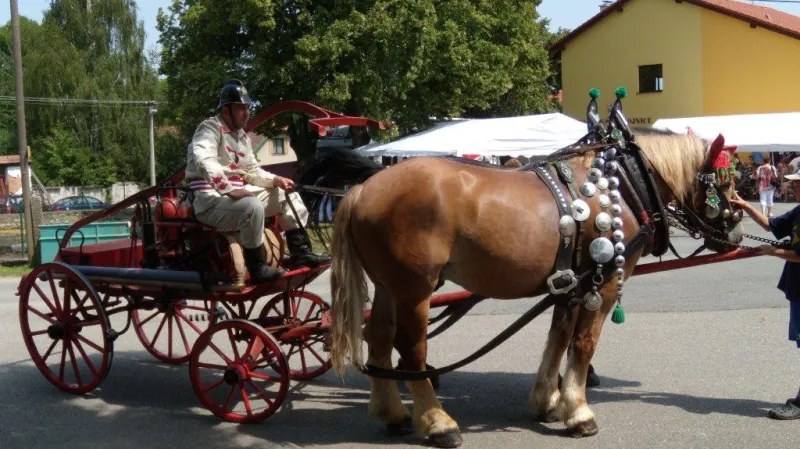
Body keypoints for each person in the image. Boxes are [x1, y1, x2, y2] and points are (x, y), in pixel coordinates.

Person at [185, 79, 329, 284]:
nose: (247, 112)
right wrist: (228, 189)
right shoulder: (209, 128)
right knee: (251, 206)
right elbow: (204, 160)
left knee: (287, 195)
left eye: (248, 107)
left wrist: (276, 180)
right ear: (226, 111)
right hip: (208, 201)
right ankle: (257, 268)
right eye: (241, 108)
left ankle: (301, 253)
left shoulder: (242, 137)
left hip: (233, 198)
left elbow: (252, 171)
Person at [730, 171, 800, 419]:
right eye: (794, 183)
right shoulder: (798, 211)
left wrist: (772, 251)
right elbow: (771, 225)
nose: (793, 187)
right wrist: (746, 205)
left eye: (798, 184)